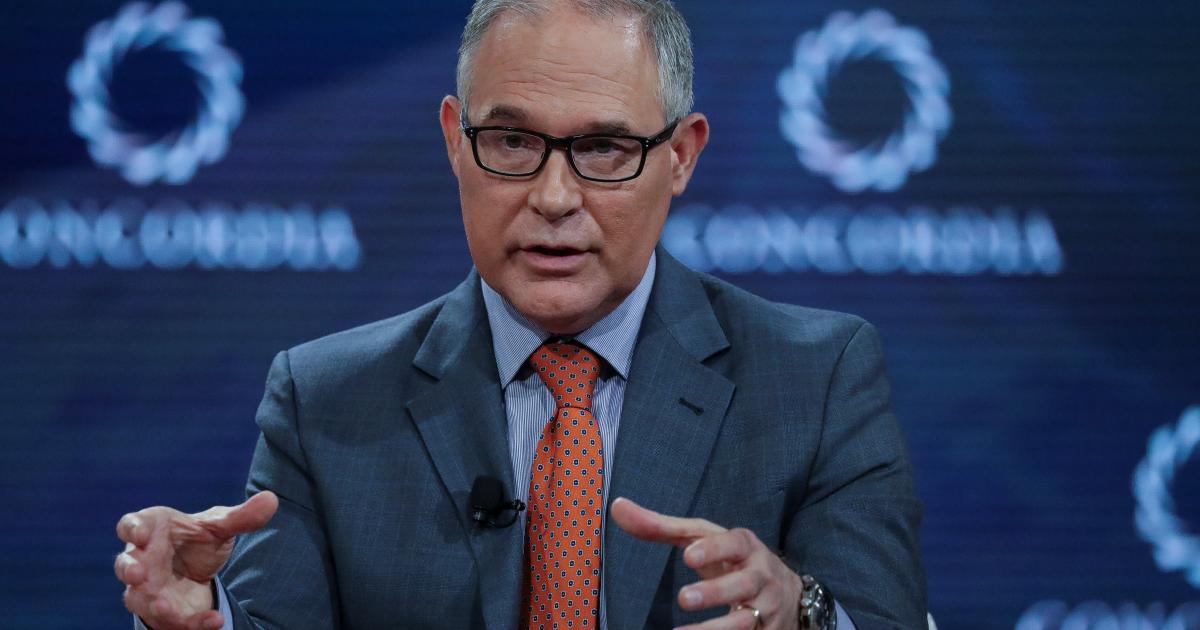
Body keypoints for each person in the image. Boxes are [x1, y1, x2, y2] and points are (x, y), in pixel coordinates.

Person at [113, 1, 926, 628]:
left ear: (681, 156)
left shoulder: (817, 379)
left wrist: (803, 611)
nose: (554, 197)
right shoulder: (324, 401)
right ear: (454, 140)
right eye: (510, 141)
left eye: (604, 148)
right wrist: (200, 617)